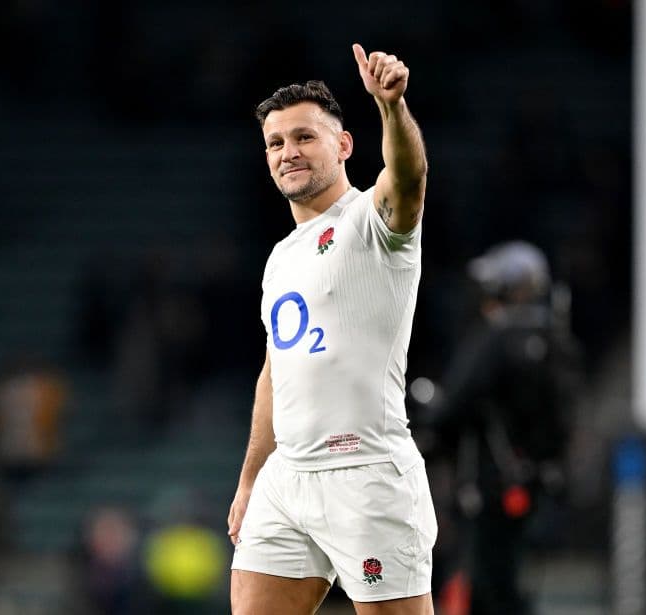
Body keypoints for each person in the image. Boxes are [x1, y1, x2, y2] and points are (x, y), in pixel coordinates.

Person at [227, 44, 437, 615]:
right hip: (287, 477)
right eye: (276, 143)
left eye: (304, 137)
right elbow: (277, 370)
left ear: (343, 145)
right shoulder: (280, 257)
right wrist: (251, 478)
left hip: (366, 474)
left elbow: (409, 176)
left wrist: (391, 107)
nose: (288, 152)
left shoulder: (371, 221)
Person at [416, 241, 580, 615]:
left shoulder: (497, 338)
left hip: (491, 484)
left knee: (489, 585)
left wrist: (430, 427)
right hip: (536, 484)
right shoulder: (555, 339)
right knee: (507, 580)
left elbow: (453, 406)